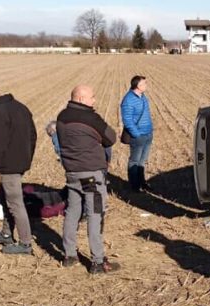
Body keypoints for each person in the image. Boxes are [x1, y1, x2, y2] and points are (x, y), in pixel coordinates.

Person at [56, 85, 120, 275]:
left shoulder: (61, 116)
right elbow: (111, 138)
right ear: (82, 99)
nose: (95, 101)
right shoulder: (91, 118)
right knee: (95, 214)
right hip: (91, 174)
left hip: (72, 172)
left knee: (72, 211)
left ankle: (69, 255)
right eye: (92, 97)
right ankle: (98, 261)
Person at [0, 84, 37, 255]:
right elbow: (33, 136)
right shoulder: (21, 107)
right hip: (20, 162)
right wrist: (27, 158)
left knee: (15, 204)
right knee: (4, 197)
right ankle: (6, 233)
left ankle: (25, 243)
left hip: (9, 166)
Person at [120, 75, 154, 192]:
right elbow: (127, 120)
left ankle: (142, 182)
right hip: (138, 136)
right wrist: (136, 134)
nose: (146, 85)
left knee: (142, 161)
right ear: (138, 86)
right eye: (144, 83)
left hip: (148, 134)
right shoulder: (128, 100)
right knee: (134, 161)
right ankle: (134, 186)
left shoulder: (143, 97)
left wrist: (150, 129)